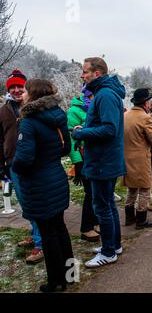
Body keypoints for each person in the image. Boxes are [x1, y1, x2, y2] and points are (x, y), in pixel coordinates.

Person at [12, 79, 73, 292]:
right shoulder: (58, 115)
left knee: (48, 234)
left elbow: (24, 159)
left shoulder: (29, 121)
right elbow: (66, 148)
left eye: (26, 91)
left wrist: (15, 168)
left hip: (39, 183)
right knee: (60, 229)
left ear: (34, 94)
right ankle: (70, 275)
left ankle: (56, 282)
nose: (23, 95)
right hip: (56, 176)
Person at [73, 57, 126, 268]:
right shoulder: (105, 93)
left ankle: (108, 251)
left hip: (103, 161)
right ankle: (114, 245)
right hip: (105, 159)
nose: (82, 75)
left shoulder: (104, 95)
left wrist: (81, 132)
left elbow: (109, 129)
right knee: (108, 205)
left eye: (85, 71)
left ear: (97, 73)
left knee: (102, 207)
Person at [0, 69, 44, 265]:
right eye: (13, 87)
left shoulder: (34, 107)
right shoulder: (3, 111)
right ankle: (35, 234)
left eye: (20, 86)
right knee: (25, 203)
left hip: (33, 163)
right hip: (12, 163)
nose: (17, 90)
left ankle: (40, 244)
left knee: (35, 202)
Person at [122, 88, 152, 229]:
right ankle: (141, 220)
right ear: (145, 103)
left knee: (131, 189)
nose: (150, 103)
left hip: (127, 158)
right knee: (145, 189)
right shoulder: (145, 117)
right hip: (141, 159)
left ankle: (129, 218)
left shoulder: (125, 115)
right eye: (149, 101)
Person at [67, 86, 100, 242]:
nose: (94, 97)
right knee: (90, 192)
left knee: (96, 191)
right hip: (83, 157)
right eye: (92, 94)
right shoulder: (74, 111)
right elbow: (72, 137)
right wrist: (77, 162)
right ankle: (86, 228)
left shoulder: (96, 108)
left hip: (95, 156)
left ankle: (95, 221)